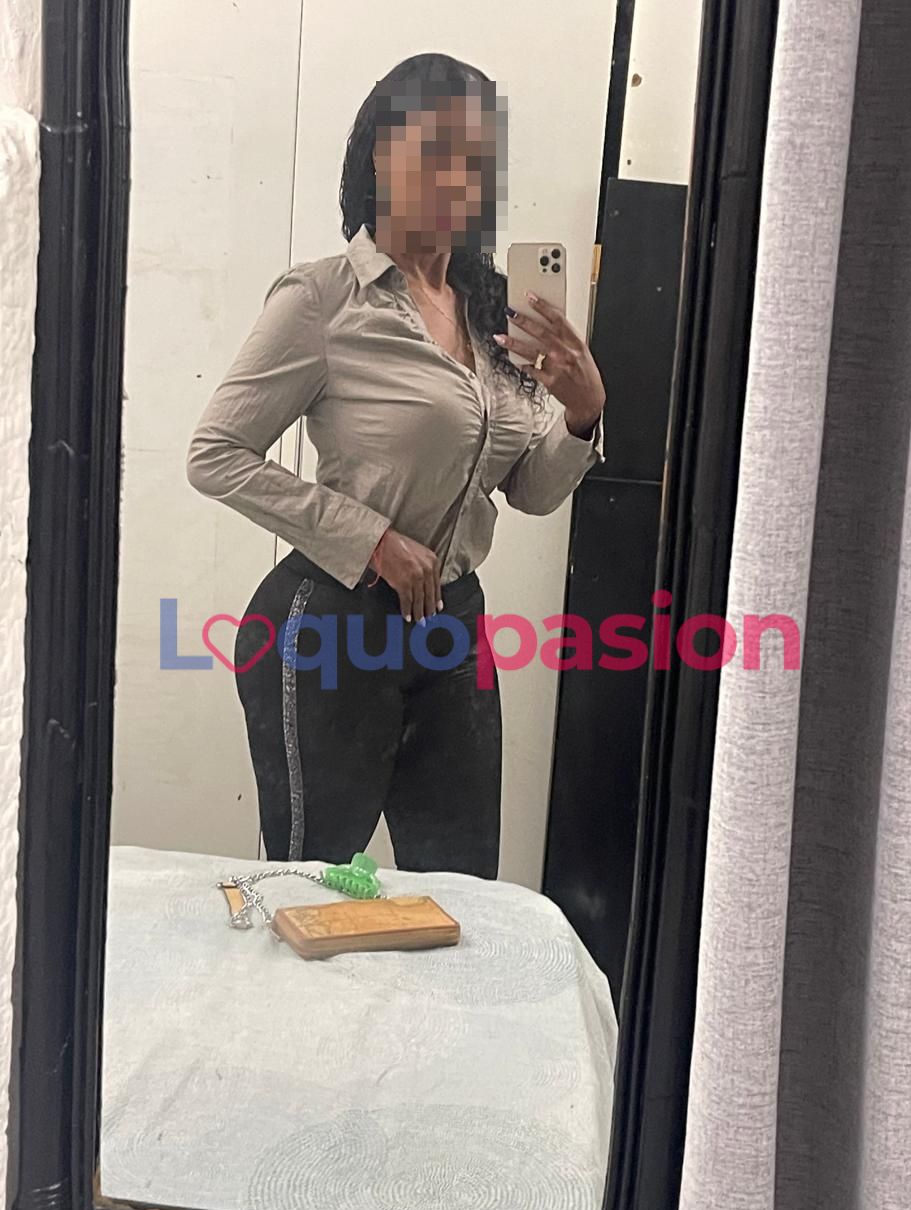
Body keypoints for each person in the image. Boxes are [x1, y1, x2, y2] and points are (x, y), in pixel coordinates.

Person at [185, 52, 606, 877]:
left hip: (454, 628)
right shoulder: (323, 300)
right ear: (381, 154)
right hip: (330, 625)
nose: (457, 176)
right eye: (434, 150)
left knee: (462, 888)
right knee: (314, 885)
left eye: (475, 157)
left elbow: (530, 491)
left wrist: (582, 414)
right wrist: (372, 539)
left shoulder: (495, 316)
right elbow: (216, 453)